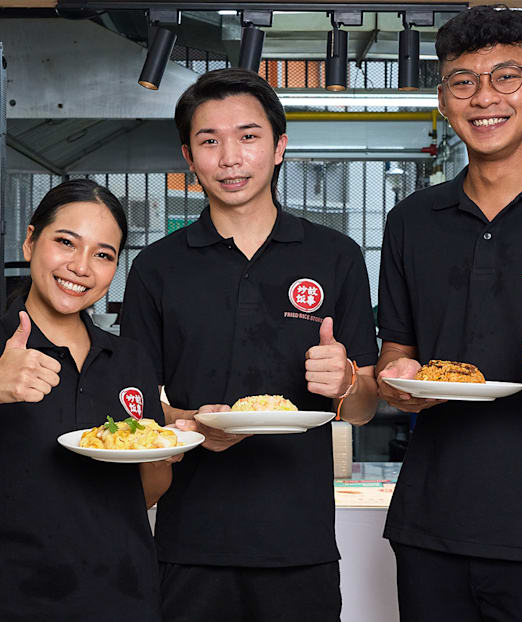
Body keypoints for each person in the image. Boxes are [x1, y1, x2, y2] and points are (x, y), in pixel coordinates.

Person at [120, 68, 379, 621]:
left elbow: (364, 409)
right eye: (209, 141)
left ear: (280, 146)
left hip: (301, 546)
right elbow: (136, 409)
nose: (229, 158)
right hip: (189, 549)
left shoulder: (335, 256)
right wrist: (189, 423)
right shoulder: (157, 267)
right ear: (189, 158)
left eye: (248, 136)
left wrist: (349, 381)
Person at [375, 6, 522, 621]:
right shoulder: (410, 222)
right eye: (463, 80)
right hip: (431, 524)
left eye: (507, 76)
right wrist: (398, 381)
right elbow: (395, 354)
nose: (485, 97)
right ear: (444, 98)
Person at [0, 179, 171, 621]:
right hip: (17, 597)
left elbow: (149, 489)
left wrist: (166, 450)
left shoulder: (129, 359)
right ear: (30, 240)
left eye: (103, 254)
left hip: (122, 596)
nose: (80, 267)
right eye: (65, 243)